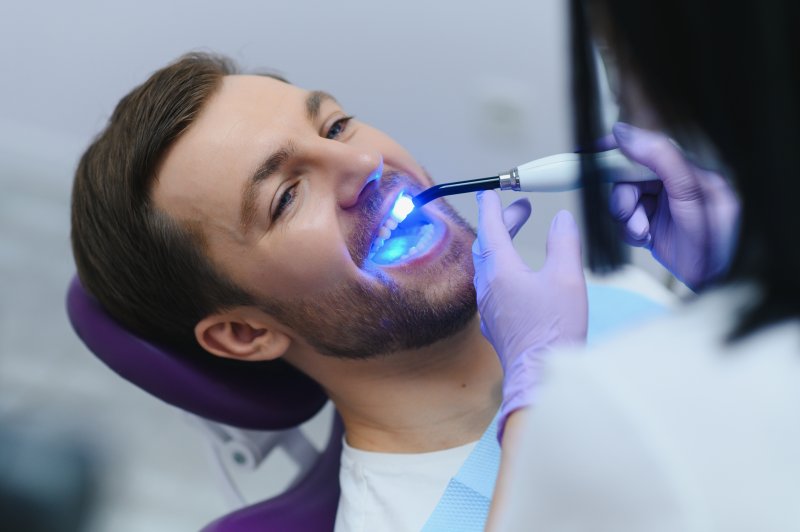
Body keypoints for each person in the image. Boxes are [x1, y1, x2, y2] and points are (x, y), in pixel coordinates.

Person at [72, 52, 598, 531]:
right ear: (245, 332)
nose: (364, 165)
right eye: (287, 197)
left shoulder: (597, 301)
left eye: (337, 127)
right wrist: (542, 396)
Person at [475, 0, 800, 530]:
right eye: (287, 195)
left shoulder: (620, 410)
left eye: (616, 55)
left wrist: (536, 396)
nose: (618, 101)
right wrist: (740, 276)